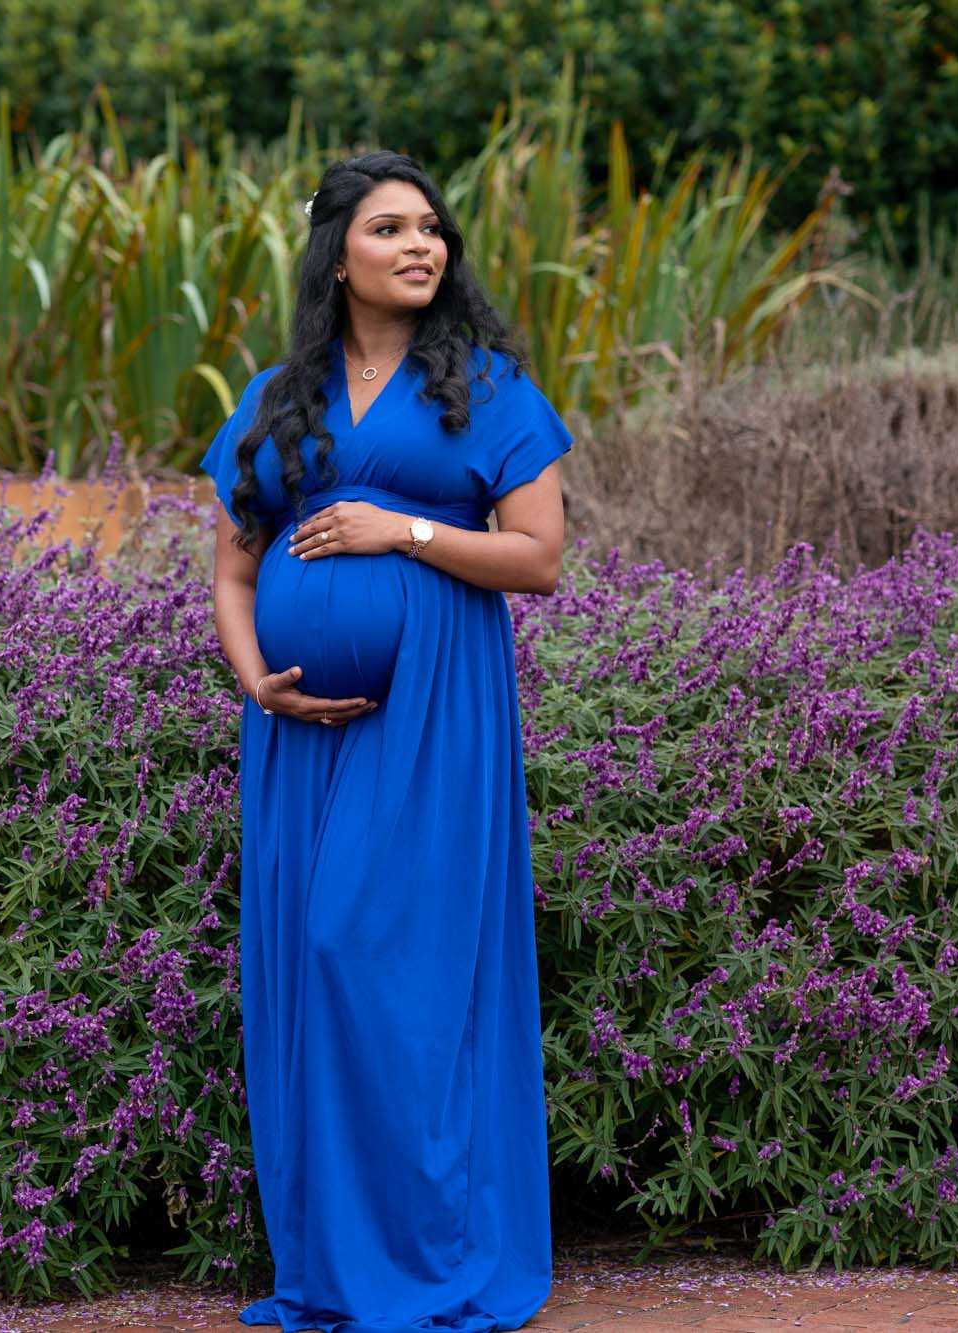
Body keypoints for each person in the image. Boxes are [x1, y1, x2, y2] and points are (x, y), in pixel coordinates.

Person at [198, 151, 572, 1333]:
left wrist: (403, 530)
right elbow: (231, 564)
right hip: (299, 735)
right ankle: (337, 1269)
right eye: (391, 229)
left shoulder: (490, 388)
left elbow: (539, 559)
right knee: (312, 965)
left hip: (438, 711)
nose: (422, 247)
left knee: (379, 956)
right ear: (337, 253)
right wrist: (258, 680)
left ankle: (432, 1254)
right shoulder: (279, 398)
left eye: (433, 230)